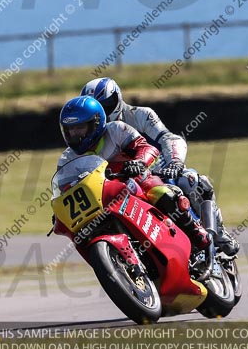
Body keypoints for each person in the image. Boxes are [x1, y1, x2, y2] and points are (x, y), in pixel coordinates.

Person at [80, 77, 239, 255]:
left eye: (106, 106)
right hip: (124, 185)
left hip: (160, 173)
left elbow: (168, 138)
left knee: (193, 181)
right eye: (96, 111)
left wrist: (175, 163)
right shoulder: (90, 138)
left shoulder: (141, 115)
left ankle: (218, 233)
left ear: (117, 99)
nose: (102, 114)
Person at [57, 95, 211, 255]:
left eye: (79, 128)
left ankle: (194, 230)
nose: (75, 134)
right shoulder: (66, 159)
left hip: (134, 181)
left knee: (159, 191)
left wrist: (139, 162)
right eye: (70, 130)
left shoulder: (116, 130)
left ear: (95, 122)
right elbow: (65, 188)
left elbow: (146, 147)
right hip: (103, 198)